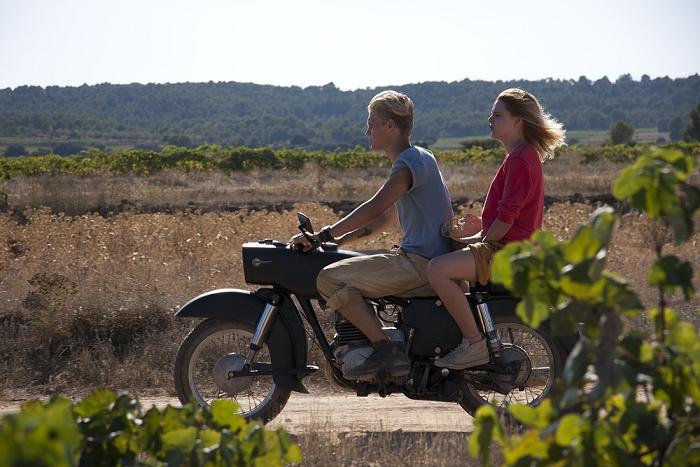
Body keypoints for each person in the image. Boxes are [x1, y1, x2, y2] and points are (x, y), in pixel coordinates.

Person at [290, 90, 454, 380]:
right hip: (425, 259)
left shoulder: (409, 163)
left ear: (390, 126)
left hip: (420, 263)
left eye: (371, 123)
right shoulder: (420, 158)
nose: (367, 130)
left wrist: (321, 235)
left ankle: (385, 349)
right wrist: (340, 243)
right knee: (346, 266)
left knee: (329, 278)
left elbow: (375, 206)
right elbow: (384, 218)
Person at [427, 88, 566, 370]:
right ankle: (467, 337)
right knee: (453, 274)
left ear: (518, 122)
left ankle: (474, 344)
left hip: (505, 252)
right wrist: (474, 236)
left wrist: (478, 242)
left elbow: (506, 219)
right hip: (510, 247)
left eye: (498, 115)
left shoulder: (519, 159)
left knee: (436, 270)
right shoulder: (522, 156)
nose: (490, 119)